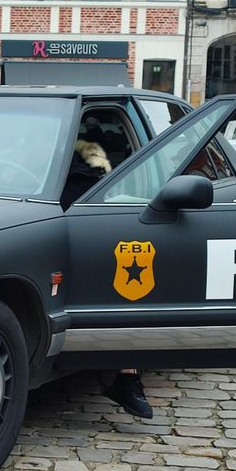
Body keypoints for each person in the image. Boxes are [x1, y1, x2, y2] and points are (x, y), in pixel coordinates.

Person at [61, 140, 154, 419]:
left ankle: (128, 376)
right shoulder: (14, 165)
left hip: (95, 251)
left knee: (130, 289)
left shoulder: (95, 178)